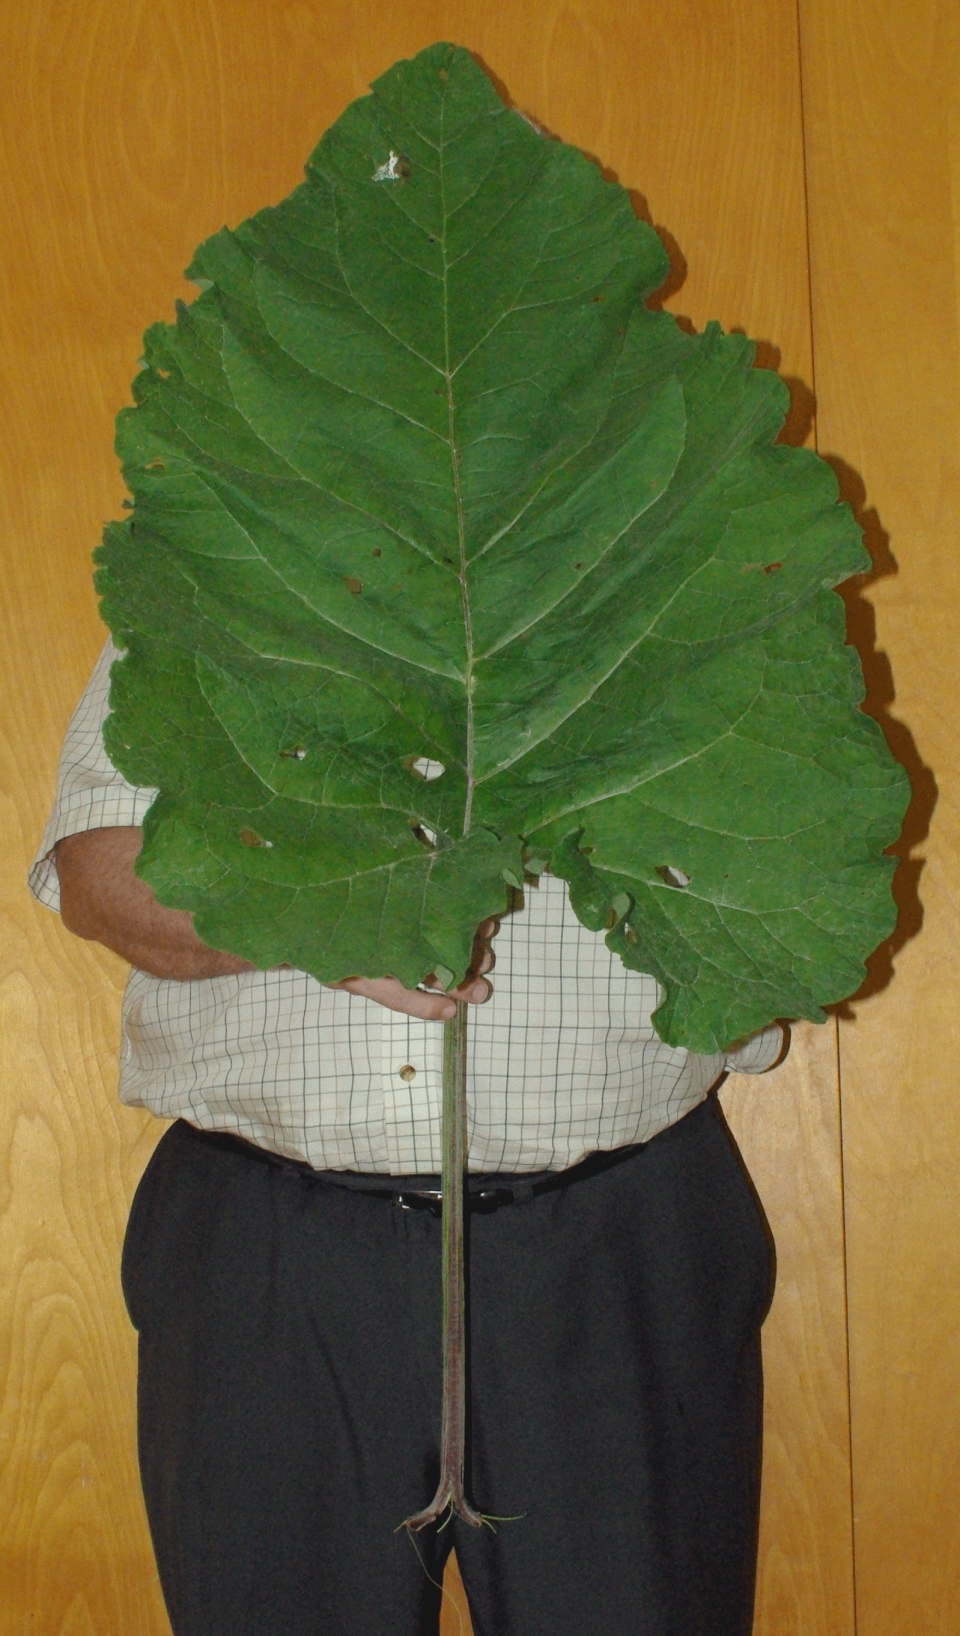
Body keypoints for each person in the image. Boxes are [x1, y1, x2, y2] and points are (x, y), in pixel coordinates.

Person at [32, 636, 786, 1636]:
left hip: (615, 1250)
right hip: (269, 1259)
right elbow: (99, 868)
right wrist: (325, 921)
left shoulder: (678, 560)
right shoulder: (227, 557)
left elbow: (792, 900)